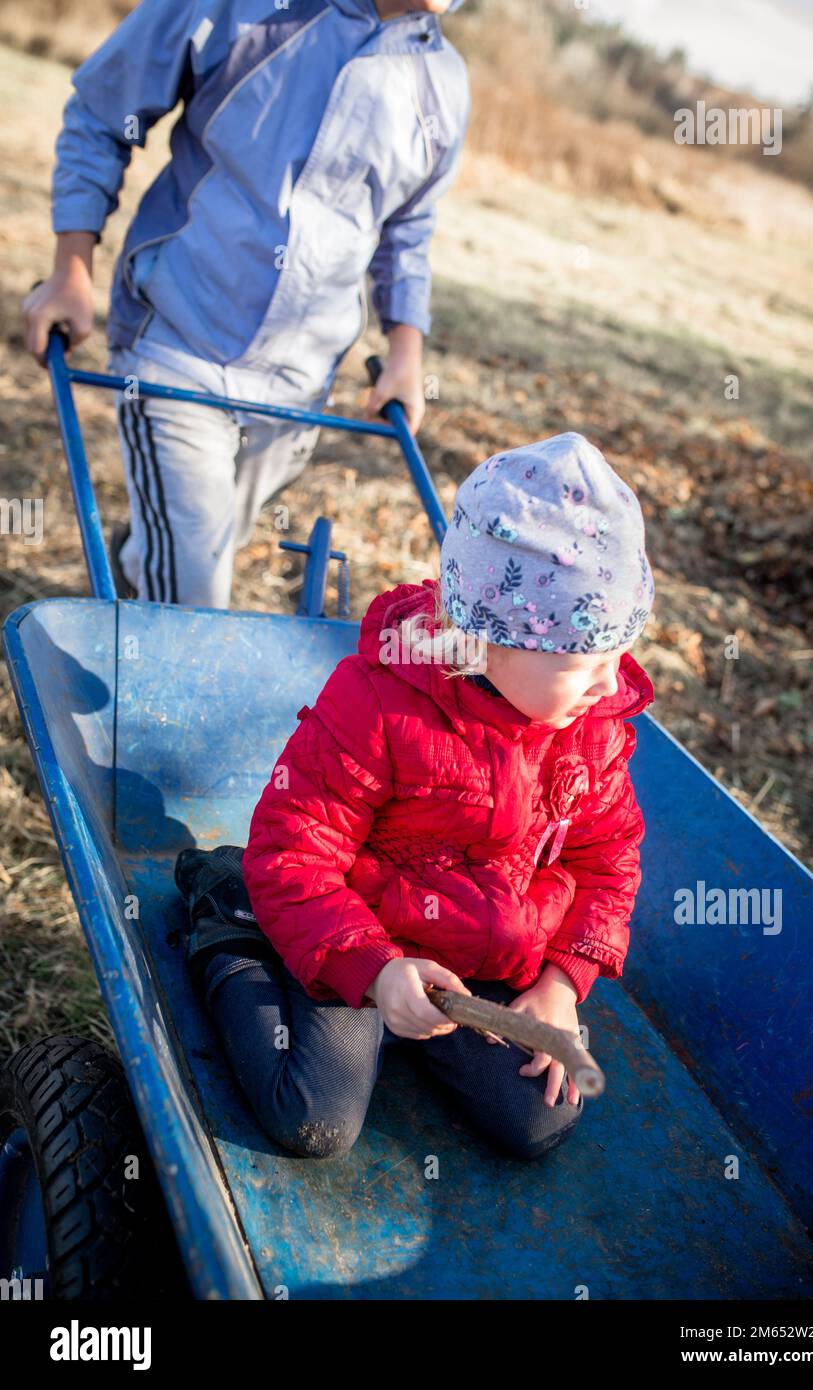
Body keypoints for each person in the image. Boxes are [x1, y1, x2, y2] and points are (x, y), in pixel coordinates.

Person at [174, 432, 656, 1160]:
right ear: (483, 638)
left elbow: (608, 859)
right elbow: (295, 849)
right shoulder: (381, 706)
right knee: (315, 1120)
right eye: (580, 659)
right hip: (357, 936)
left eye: (618, 652)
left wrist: (563, 979)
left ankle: (413, 1035)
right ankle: (230, 927)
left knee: (536, 1121)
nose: (607, 682)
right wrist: (372, 969)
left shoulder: (587, 724)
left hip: (473, 964)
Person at [22, 0, 469, 607]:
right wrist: (71, 268)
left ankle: (139, 561)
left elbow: (407, 229)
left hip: (298, 390)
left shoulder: (443, 84)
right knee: (197, 603)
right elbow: (105, 110)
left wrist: (405, 351)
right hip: (179, 342)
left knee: (208, 540)